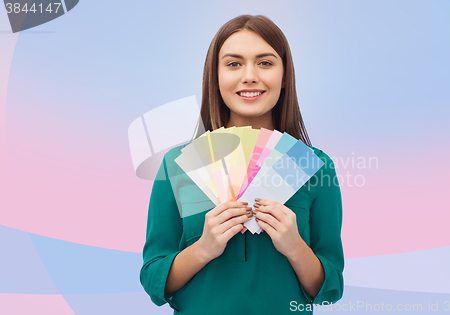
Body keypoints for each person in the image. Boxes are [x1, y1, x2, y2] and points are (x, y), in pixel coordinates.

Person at [140, 14, 344, 314]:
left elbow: (330, 290)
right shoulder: (178, 165)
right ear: (216, 76)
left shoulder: (313, 165)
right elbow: (153, 279)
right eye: (234, 63)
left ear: (284, 75)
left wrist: (295, 247)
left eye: (265, 62)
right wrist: (203, 248)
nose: (249, 75)